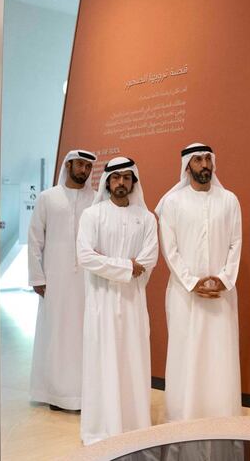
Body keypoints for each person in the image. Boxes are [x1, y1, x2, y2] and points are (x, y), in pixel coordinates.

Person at [156, 143, 243, 422]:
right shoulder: (172, 202)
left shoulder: (229, 199)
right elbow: (170, 249)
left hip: (222, 295)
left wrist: (224, 279)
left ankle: (220, 414)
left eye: (208, 159)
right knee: (186, 352)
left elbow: (236, 243)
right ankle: (183, 415)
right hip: (184, 295)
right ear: (186, 166)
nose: (204, 165)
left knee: (220, 355)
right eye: (198, 160)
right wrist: (193, 282)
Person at [77, 157, 159, 445]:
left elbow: (149, 260)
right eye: (116, 178)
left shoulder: (147, 219)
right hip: (101, 304)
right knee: (103, 362)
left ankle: (135, 425)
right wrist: (126, 266)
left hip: (133, 304)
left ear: (133, 182)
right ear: (108, 182)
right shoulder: (92, 215)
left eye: (127, 178)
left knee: (132, 361)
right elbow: (85, 257)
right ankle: (102, 428)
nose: (121, 183)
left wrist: (108, 262)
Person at [28, 149, 96, 411]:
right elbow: (35, 238)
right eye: (80, 164)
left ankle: (81, 393)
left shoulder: (95, 200)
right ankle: (55, 393)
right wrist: (37, 276)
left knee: (82, 333)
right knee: (55, 334)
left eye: (88, 167)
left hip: (87, 282)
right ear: (68, 165)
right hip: (54, 280)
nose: (84, 170)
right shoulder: (48, 198)